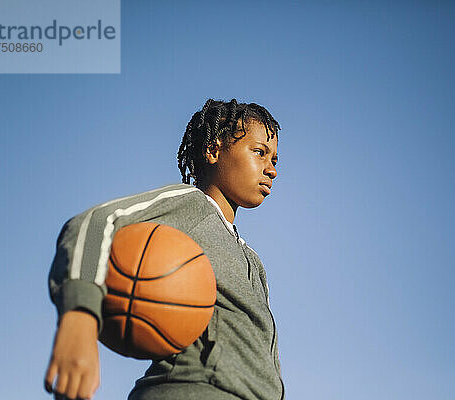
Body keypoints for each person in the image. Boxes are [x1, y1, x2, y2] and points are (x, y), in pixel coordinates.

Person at [44, 98, 285, 400]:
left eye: (274, 160)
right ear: (214, 150)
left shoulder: (254, 262)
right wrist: (79, 316)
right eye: (259, 153)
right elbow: (95, 221)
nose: (271, 169)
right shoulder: (189, 204)